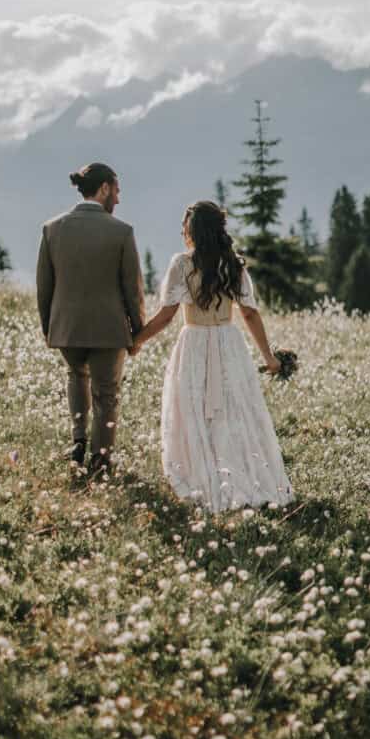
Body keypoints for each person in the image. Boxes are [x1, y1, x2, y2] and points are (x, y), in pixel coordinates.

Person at [130, 200, 294, 512]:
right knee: (234, 410)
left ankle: (205, 475)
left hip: (194, 343)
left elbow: (166, 316)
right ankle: (244, 475)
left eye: (185, 226)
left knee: (195, 410)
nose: (181, 231)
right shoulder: (234, 265)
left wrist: (136, 341)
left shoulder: (182, 264)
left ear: (194, 230)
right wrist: (269, 358)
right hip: (229, 342)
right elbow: (249, 314)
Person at [36, 162, 145, 476]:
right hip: (108, 330)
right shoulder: (122, 232)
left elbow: (45, 286)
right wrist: (137, 331)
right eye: (118, 190)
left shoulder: (52, 228)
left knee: (76, 376)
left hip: (66, 328)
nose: (119, 199)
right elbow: (132, 289)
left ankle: (79, 440)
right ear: (105, 188)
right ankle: (100, 459)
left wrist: (49, 329)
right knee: (106, 394)